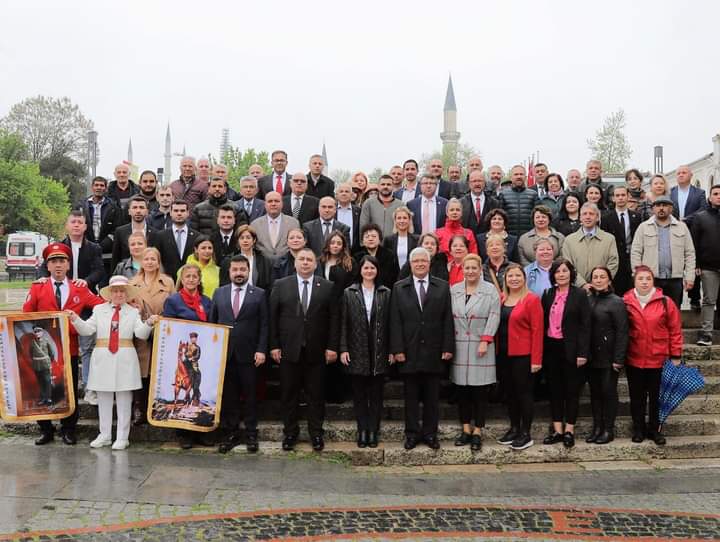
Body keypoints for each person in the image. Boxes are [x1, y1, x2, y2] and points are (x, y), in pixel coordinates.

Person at [24, 243, 104, 445]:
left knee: (68, 389)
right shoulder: (37, 287)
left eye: (62, 261)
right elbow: (26, 315)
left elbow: (101, 305)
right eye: (53, 261)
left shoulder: (80, 288)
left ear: (68, 265)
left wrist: (122, 299)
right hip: (43, 350)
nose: (58, 265)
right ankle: (45, 429)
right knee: (43, 388)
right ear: (48, 266)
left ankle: (69, 429)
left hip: (69, 348)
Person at [68, 275, 159, 450]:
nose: (118, 294)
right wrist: (75, 319)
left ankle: (123, 437)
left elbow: (140, 334)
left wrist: (148, 323)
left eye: (122, 291)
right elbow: (87, 330)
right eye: (115, 291)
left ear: (127, 294)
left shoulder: (132, 312)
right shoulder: (99, 310)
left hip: (125, 356)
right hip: (103, 357)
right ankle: (105, 434)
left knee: (125, 398)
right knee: (104, 398)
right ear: (109, 293)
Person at [270, 248, 340, 452]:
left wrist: (332, 347)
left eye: (310, 259)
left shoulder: (327, 287)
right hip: (288, 350)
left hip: (317, 351)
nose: (305, 262)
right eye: (302, 259)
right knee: (289, 394)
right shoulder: (281, 285)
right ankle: (290, 433)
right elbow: (273, 317)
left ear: (316, 264)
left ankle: (316, 433)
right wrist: (274, 345)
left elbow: (334, 319)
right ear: (295, 263)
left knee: (316, 395)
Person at [390, 247, 454, 450]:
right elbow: (395, 321)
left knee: (432, 398)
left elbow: (447, 320)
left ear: (429, 263)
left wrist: (447, 346)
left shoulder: (442, 287)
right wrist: (397, 348)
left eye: (423, 261)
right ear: (410, 264)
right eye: (416, 261)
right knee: (410, 397)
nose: (419, 264)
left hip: (434, 351)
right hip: (408, 352)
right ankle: (411, 434)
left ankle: (430, 434)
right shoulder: (399, 287)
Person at [210, 255, 269, 454]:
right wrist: (213, 351)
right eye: (235, 270)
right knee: (229, 396)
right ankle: (231, 433)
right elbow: (212, 324)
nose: (239, 273)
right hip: (226, 354)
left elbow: (264, 325)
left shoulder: (259, 294)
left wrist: (261, 349)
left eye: (242, 269)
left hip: (250, 354)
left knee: (251, 395)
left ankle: (251, 434)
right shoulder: (219, 293)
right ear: (229, 272)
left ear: (248, 270)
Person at [623, 266, 683, 445]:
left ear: (653, 281)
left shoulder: (665, 302)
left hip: (658, 358)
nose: (644, 282)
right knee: (637, 397)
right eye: (640, 279)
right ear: (634, 281)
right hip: (634, 357)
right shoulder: (625, 301)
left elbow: (675, 329)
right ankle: (639, 429)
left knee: (657, 397)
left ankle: (655, 429)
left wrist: (676, 354)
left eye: (648, 279)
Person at [339, 255, 392, 448]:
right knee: (360, 394)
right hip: (356, 347)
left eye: (372, 268)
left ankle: (373, 430)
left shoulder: (385, 292)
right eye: (366, 268)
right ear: (360, 270)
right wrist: (343, 348)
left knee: (376, 394)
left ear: (377, 270)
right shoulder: (349, 292)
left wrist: (392, 350)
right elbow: (343, 322)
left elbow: (391, 323)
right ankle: (362, 430)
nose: (369, 271)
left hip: (379, 347)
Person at [450, 254, 500, 451]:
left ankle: (478, 430)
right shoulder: (454, 290)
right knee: (462, 390)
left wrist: (486, 339)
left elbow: (494, 316)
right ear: (462, 270)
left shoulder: (490, 291)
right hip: (460, 344)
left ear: (480, 269)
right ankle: (465, 429)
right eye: (467, 268)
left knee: (480, 391)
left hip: (481, 345)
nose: (470, 271)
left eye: (474, 268)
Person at [540, 260, 590, 449]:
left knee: (571, 391)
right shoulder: (548, 294)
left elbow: (586, 326)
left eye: (565, 271)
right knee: (555, 390)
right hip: (552, 347)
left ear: (571, 273)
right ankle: (557, 429)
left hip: (572, 349)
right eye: (558, 271)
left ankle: (569, 429)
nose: (561, 274)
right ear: (553, 275)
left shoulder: (579, 295)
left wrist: (582, 352)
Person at [163, 264, 213, 449]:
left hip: (200, 354)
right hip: (182, 352)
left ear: (199, 280)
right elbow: (169, 327)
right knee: (180, 380)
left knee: (199, 379)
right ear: (181, 280)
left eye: (194, 276)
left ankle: (201, 431)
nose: (191, 279)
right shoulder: (173, 301)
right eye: (187, 276)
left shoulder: (207, 302)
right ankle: (183, 434)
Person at [495, 264, 543, 451]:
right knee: (510, 393)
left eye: (517, 276)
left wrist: (536, 360)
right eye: (510, 276)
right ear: (505, 279)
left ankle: (526, 432)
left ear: (524, 278)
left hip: (523, 355)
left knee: (524, 394)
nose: (514, 279)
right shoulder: (501, 298)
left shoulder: (531, 300)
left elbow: (537, 331)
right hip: (503, 354)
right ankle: (514, 428)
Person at [128, 247, 175, 425]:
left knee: (159, 370)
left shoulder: (168, 282)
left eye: (153, 259)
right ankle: (139, 408)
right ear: (141, 261)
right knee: (142, 371)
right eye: (146, 259)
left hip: (162, 331)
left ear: (158, 262)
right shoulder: (132, 283)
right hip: (140, 333)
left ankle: (158, 408)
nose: (149, 262)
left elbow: (174, 304)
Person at [586, 266, 628, 444]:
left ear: (609, 280)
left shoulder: (616, 302)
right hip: (591, 355)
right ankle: (597, 427)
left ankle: (608, 429)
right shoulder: (587, 300)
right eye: (595, 277)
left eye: (602, 276)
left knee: (608, 392)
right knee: (595, 393)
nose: (598, 279)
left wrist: (618, 359)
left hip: (609, 356)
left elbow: (622, 331)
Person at [630, 195, 696, 309]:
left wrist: (690, 277)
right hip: (651, 279)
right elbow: (636, 252)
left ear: (671, 208)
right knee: (651, 311)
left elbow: (689, 253)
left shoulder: (682, 227)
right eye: (658, 205)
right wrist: (638, 275)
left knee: (673, 311)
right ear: (653, 208)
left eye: (665, 205)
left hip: (675, 279)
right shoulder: (643, 227)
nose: (661, 208)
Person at [671, 165, 707, 311]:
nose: (681, 175)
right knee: (677, 265)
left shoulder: (699, 193)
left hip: (693, 232)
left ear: (690, 175)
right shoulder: (671, 192)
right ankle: (676, 299)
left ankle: (694, 299)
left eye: (684, 172)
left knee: (693, 264)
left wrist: (686, 219)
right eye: (678, 173)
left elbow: (702, 209)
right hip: (674, 233)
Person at [562, 203, 619, 289]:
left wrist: (600, 283)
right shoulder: (569, 240)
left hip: (602, 290)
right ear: (580, 217)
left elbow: (613, 263)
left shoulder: (609, 239)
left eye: (591, 214)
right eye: (584, 214)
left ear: (597, 217)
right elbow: (568, 266)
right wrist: (582, 284)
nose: (588, 217)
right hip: (577, 290)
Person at [691, 184, 720, 346]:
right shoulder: (700, 217)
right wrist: (696, 263)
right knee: (709, 300)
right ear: (710, 198)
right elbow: (694, 242)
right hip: (708, 267)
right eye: (715, 193)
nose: (718, 196)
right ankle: (706, 334)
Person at [601, 185, 642, 295]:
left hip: (632, 260)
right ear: (613, 198)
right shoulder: (606, 218)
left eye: (623, 195)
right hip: (616, 261)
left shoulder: (637, 216)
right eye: (617, 195)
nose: (620, 198)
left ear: (628, 197)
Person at [83, 176, 123, 276]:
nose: (99, 188)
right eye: (96, 185)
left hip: (107, 253)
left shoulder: (113, 207)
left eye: (102, 185)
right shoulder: (82, 205)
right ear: (92, 187)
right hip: (87, 251)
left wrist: (103, 245)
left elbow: (117, 229)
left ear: (105, 188)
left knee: (104, 285)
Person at [151, 199, 200, 280]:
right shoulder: (160, 236)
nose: (179, 213)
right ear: (171, 213)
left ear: (188, 213)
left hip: (191, 281)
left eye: (182, 211)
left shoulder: (197, 236)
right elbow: (157, 260)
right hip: (167, 281)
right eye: (176, 210)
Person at [250, 191, 301, 262]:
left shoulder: (293, 223)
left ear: (282, 204)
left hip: (287, 265)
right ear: (265, 205)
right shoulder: (255, 224)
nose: (273, 204)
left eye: (276, 201)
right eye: (270, 201)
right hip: (263, 265)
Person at [219, 225, 272, 291]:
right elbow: (224, 285)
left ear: (254, 240)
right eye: (242, 238)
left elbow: (268, 285)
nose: (245, 241)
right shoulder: (228, 261)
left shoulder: (264, 261)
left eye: (248, 237)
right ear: (238, 240)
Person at [111, 196, 157, 271]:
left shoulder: (156, 233)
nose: (138, 211)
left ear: (147, 211)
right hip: (126, 276)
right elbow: (115, 258)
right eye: (135, 207)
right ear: (129, 211)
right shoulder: (120, 232)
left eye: (141, 207)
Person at [353, 224, 399, 289]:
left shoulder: (389, 255)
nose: (370, 239)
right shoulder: (357, 257)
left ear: (380, 239)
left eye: (374, 236)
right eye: (367, 237)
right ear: (362, 241)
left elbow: (394, 277)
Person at [498, 165, 539, 237]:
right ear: (511, 177)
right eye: (516, 174)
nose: (519, 176)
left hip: (529, 237)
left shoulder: (533, 194)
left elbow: (538, 216)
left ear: (525, 177)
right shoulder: (503, 194)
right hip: (508, 236)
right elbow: (499, 216)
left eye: (521, 174)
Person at [317, 231, 357, 297]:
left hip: (343, 300)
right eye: (332, 243)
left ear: (343, 246)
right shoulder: (320, 261)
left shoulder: (350, 262)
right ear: (328, 244)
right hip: (323, 299)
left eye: (339, 244)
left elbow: (352, 283)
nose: (335, 246)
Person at [460, 170, 500, 236]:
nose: (477, 184)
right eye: (474, 181)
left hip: (488, 242)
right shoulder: (461, 203)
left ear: (484, 183)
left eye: (480, 181)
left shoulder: (495, 203)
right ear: (469, 184)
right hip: (467, 241)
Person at [30, 326, 55, 407]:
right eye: (36, 332)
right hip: (37, 364)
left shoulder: (46, 341)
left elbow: (51, 353)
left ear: (42, 332)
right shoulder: (32, 342)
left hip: (45, 364)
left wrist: (48, 361)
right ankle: (43, 398)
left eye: (39, 331)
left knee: (47, 381)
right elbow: (31, 354)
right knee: (40, 382)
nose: (37, 333)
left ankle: (48, 398)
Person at [335, 182, 362, 252]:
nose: (344, 193)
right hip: (334, 250)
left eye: (347, 191)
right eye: (341, 191)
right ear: (336, 195)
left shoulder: (359, 211)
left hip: (354, 252)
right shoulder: (331, 210)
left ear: (352, 195)